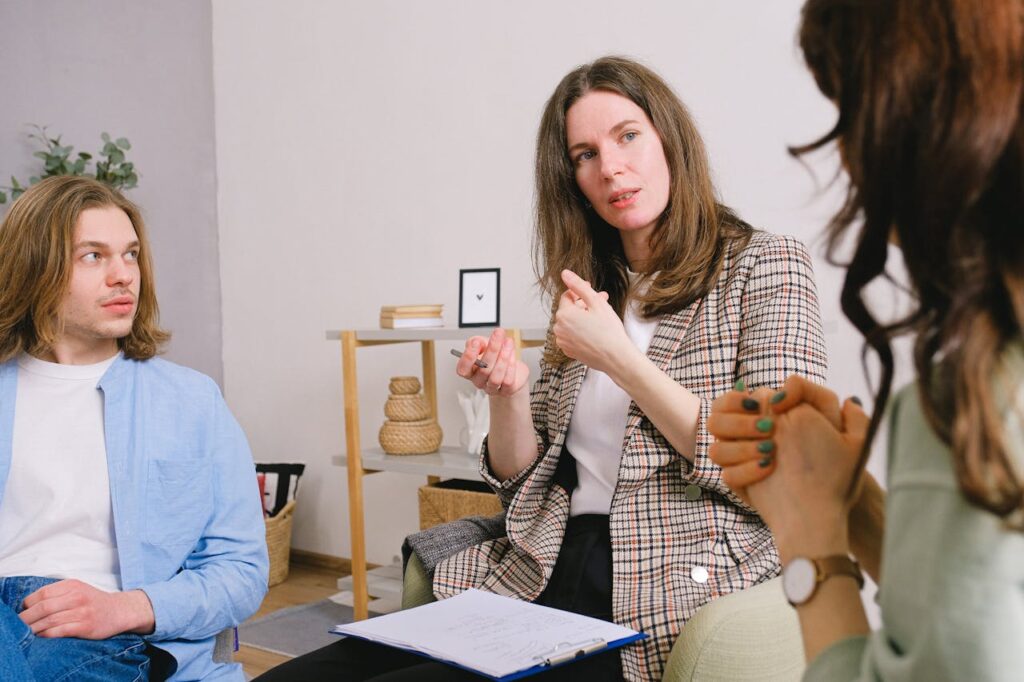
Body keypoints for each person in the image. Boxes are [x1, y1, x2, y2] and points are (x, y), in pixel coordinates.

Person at [259, 56, 827, 682]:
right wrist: (509, 395)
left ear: (671, 138)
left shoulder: (764, 266)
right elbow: (519, 477)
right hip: (545, 561)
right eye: (584, 154)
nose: (610, 166)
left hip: (660, 580)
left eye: (628, 135)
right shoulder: (588, 288)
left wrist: (620, 359)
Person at [708, 0, 1024, 680]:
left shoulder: (977, 410)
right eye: (583, 153)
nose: (848, 155)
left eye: (849, 112)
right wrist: (858, 508)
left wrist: (812, 541)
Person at [0, 176, 269, 681]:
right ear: (35, 268)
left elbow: (242, 573)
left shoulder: (191, 402)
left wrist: (124, 608)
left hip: (107, 634)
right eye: (93, 256)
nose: (124, 275)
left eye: (131, 254)